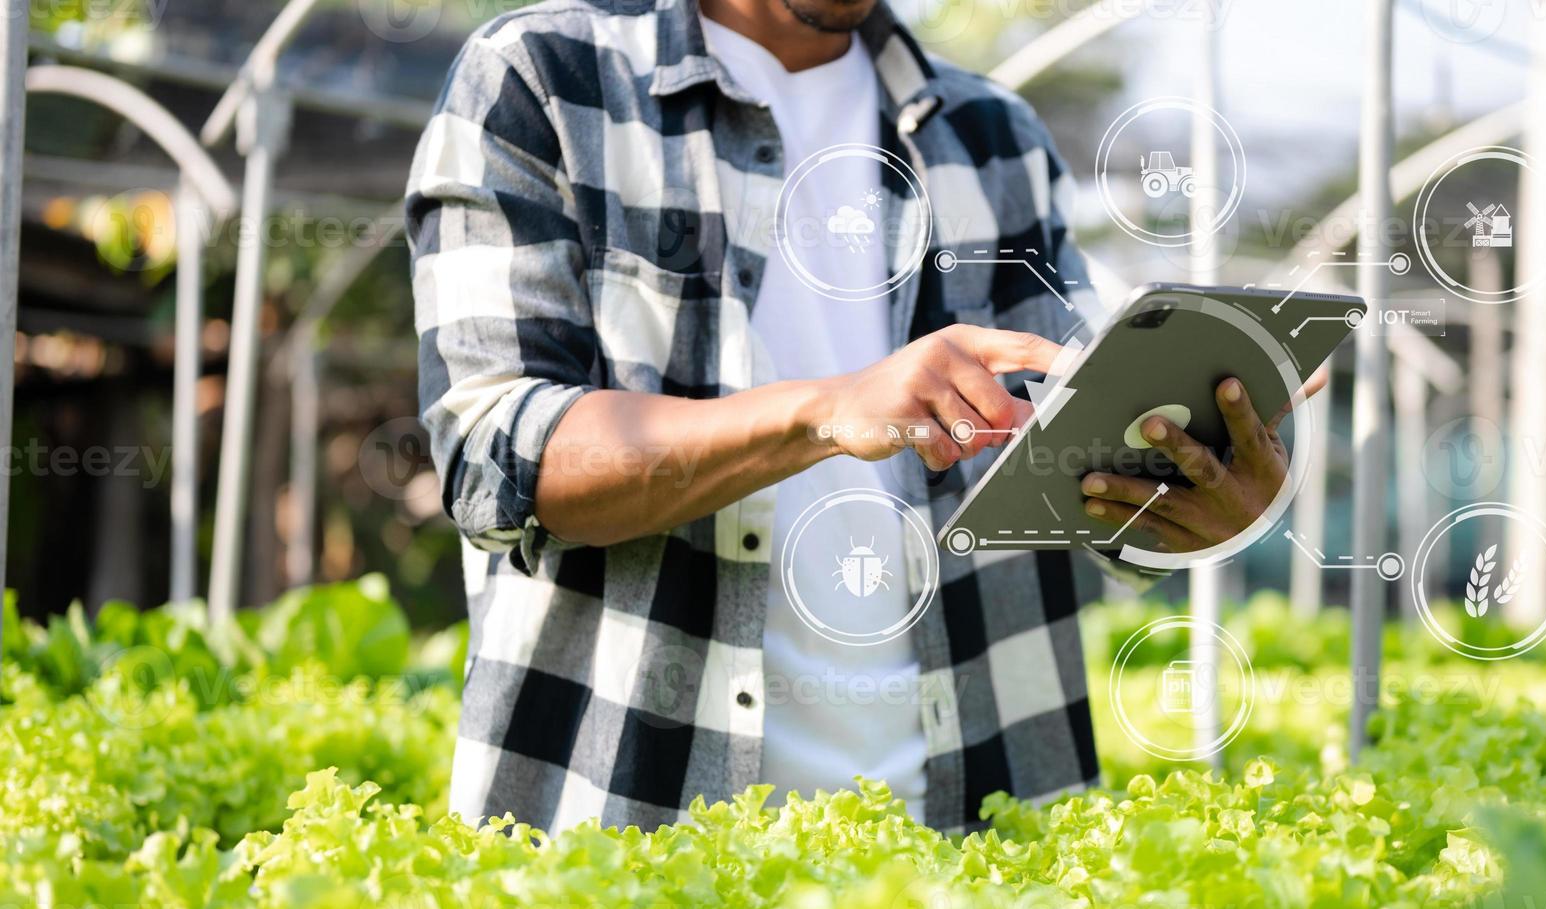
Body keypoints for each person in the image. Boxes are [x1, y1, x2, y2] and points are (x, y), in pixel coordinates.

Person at [406, 0, 1308, 835]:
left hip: (964, 843)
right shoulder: (545, 81)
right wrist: (827, 412)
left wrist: (1191, 490)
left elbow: (1075, 460)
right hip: (643, 827)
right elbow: (496, 457)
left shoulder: (991, 138)